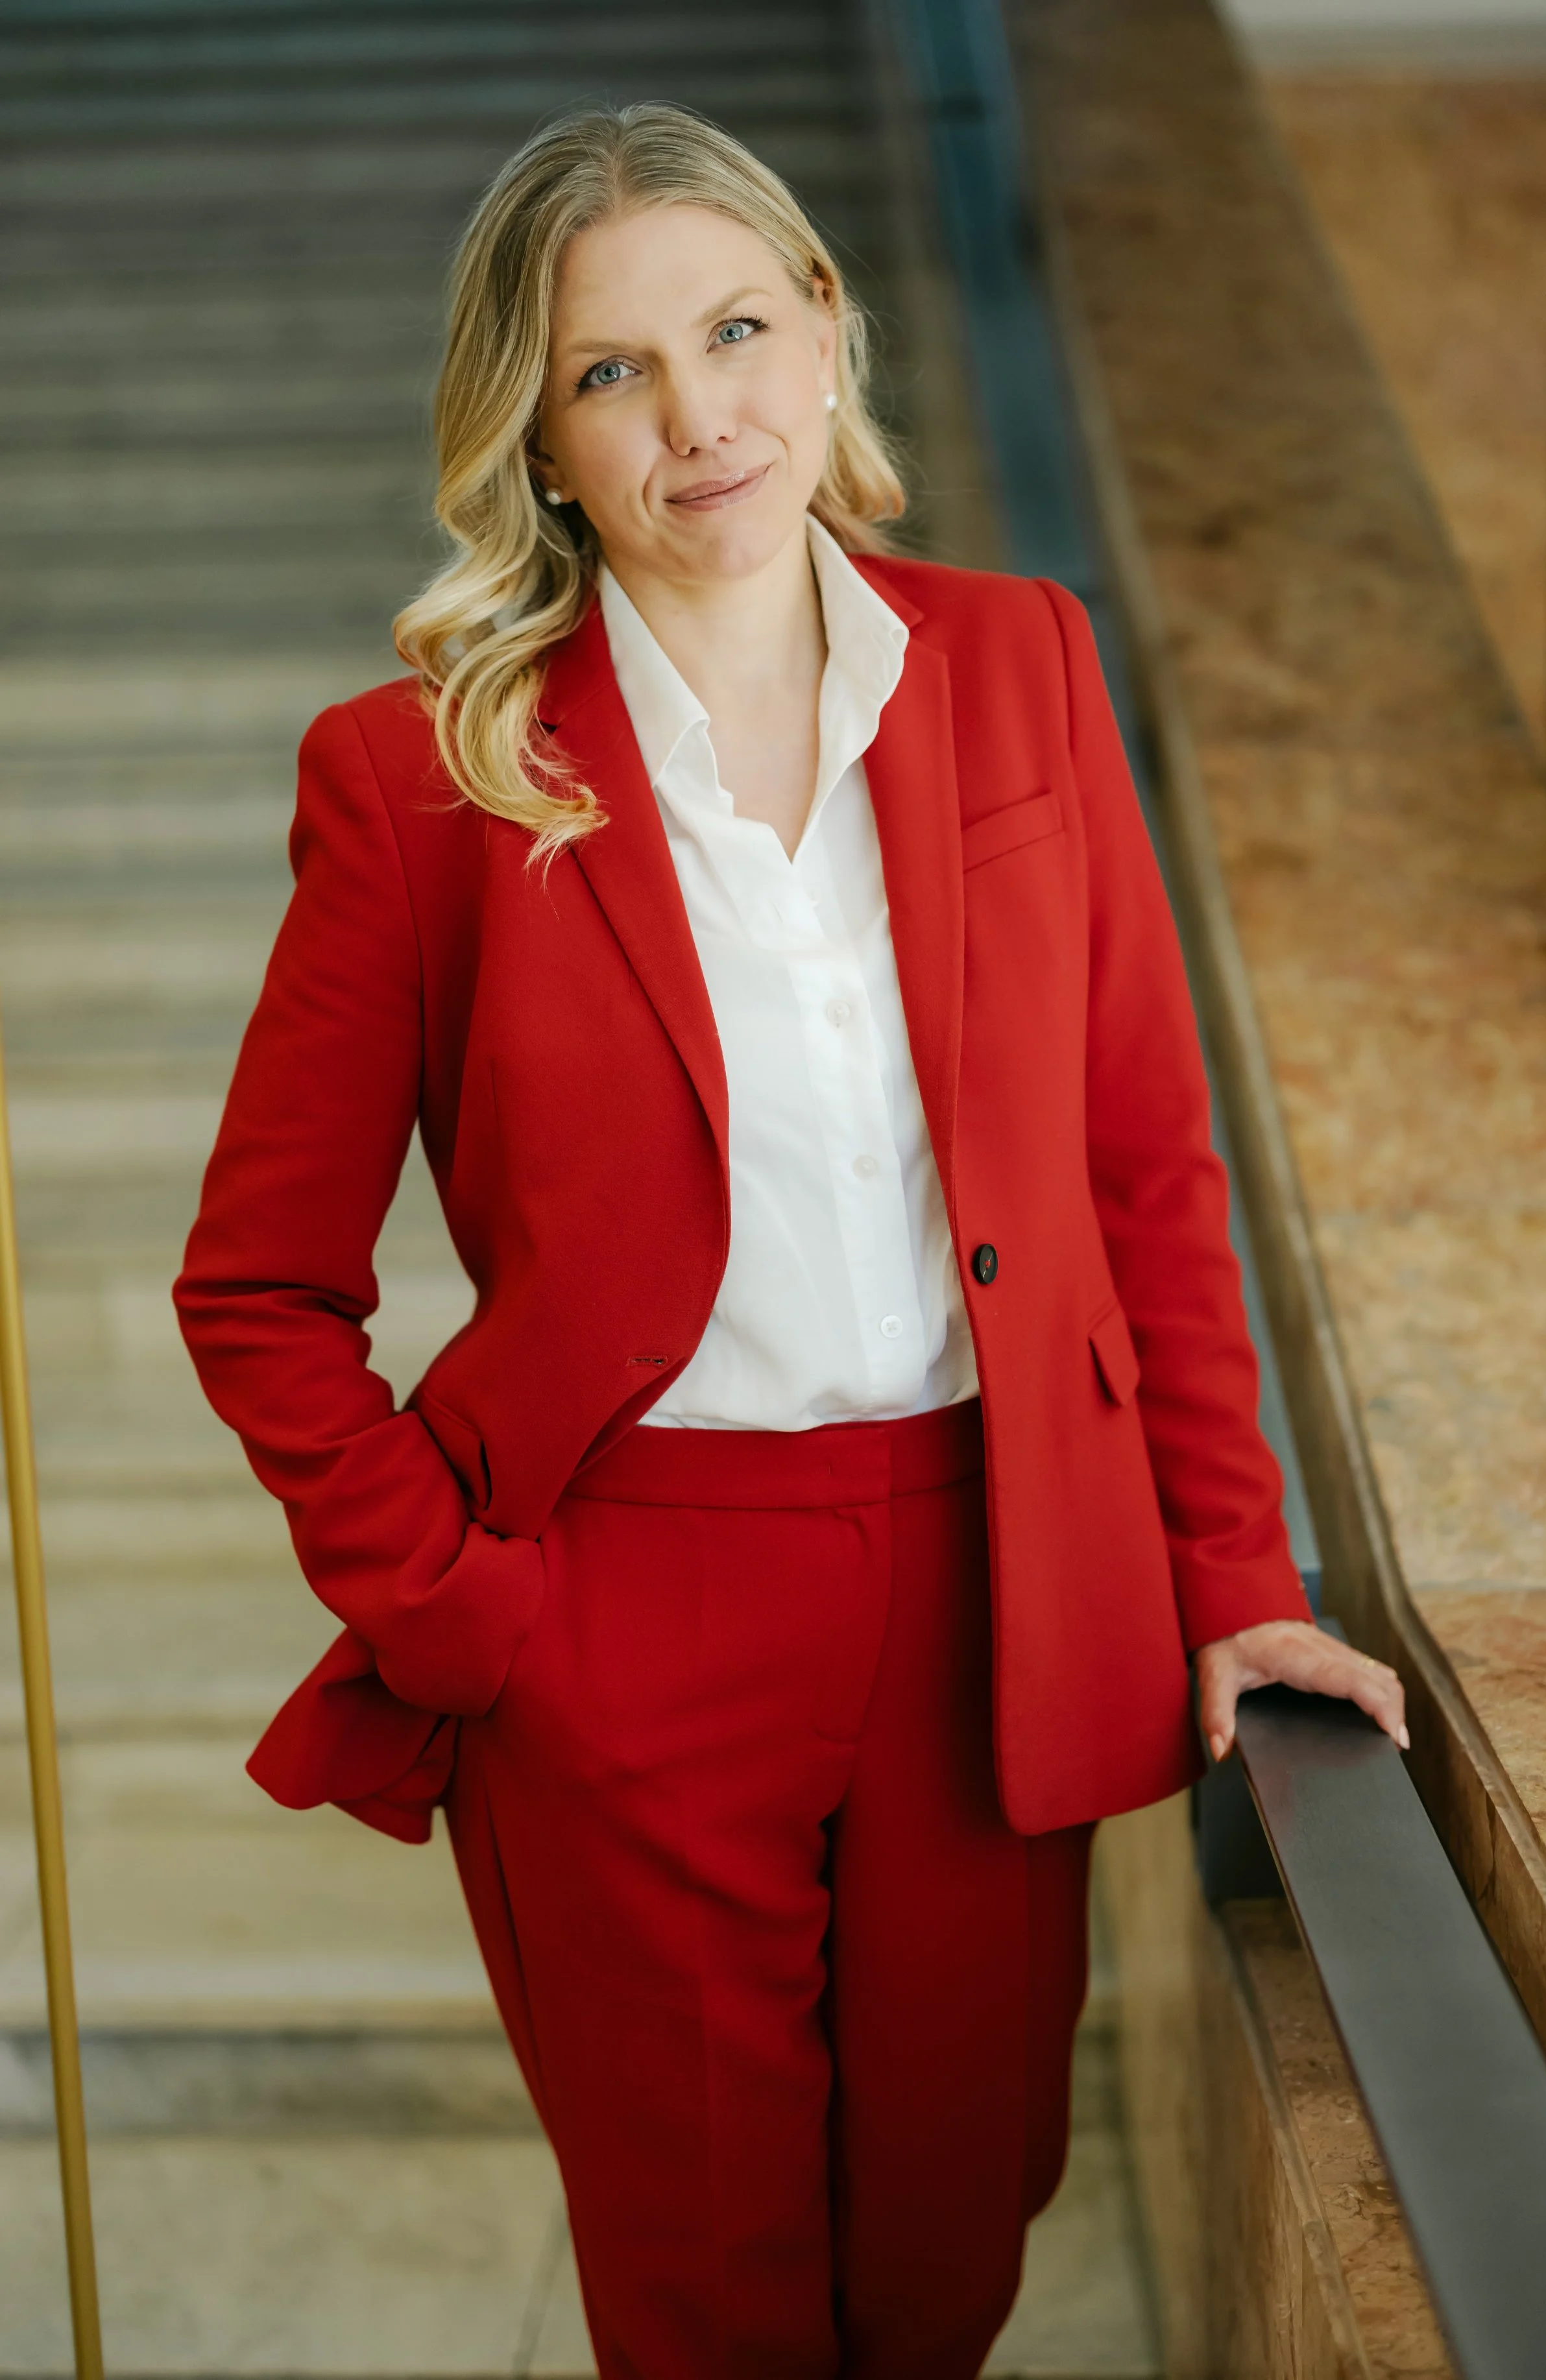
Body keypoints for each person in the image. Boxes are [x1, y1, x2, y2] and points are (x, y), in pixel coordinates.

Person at [175, 102, 1407, 2380]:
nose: (697, 413)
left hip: (989, 1586)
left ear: (828, 334)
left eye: (736, 328)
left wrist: (1233, 1578)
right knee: (713, 2301)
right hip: (624, 1619)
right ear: (537, 441)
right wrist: (462, 1610)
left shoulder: (1020, 664)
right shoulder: (425, 778)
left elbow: (1143, 1164)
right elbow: (258, 1282)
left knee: (947, 2260)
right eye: (612, 371)